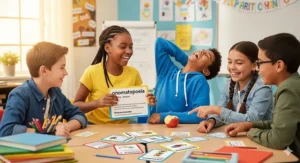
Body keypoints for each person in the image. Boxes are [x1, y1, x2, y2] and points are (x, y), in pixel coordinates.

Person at [224, 33, 300, 160]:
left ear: (279, 65)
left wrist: (251, 132)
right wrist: (250, 125)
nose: (258, 69)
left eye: (260, 63)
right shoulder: (293, 83)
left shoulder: (289, 89)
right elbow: (280, 124)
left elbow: (278, 140)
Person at [0, 42, 87, 137]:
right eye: (62, 68)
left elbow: (80, 115)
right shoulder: (20, 95)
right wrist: (50, 132)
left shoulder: (56, 92)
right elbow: (6, 131)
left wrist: (66, 127)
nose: (66, 72)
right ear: (44, 70)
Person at [73, 25, 156, 124]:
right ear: (107, 48)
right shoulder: (92, 72)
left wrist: (147, 101)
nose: (129, 51)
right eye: (122, 46)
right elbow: (76, 106)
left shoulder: (133, 73)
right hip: (95, 127)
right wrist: (98, 103)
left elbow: (139, 100)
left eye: (131, 47)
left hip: (123, 130)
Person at [189, 41, 273, 133]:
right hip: (238, 136)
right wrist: (211, 121)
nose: (232, 67)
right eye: (229, 62)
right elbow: (221, 114)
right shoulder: (229, 83)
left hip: (259, 138)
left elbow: (252, 120)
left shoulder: (262, 88)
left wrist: (217, 110)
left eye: (239, 63)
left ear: (254, 65)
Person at [148, 37, 222, 124]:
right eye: (202, 50)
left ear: (206, 71)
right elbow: (160, 43)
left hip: (179, 132)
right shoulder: (167, 70)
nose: (201, 52)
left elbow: (199, 116)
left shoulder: (200, 81)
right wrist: (187, 61)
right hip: (154, 128)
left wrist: (164, 117)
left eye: (206, 55)